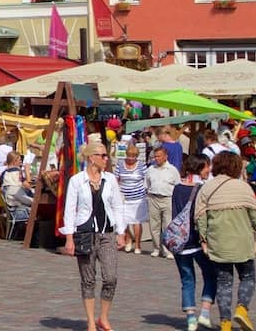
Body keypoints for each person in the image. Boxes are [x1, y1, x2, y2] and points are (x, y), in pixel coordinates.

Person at [197, 152, 256, 331]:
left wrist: (204, 238)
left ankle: (225, 323)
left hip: (218, 242)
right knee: (248, 276)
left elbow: (200, 217)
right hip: (242, 242)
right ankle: (242, 309)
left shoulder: (207, 188)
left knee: (224, 282)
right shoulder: (243, 187)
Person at [60, 142, 129, 331]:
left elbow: (118, 206)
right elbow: (70, 209)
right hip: (85, 234)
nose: (106, 159)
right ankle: (91, 322)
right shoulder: (77, 180)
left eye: (107, 155)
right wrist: (69, 237)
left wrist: (121, 232)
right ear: (92, 158)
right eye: (103, 155)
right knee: (88, 279)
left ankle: (103, 317)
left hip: (107, 233)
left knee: (111, 277)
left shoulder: (110, 180)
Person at [170, 154, 218, 331]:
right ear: (199, 168)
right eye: (207, 166)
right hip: (197, 241)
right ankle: (204, 313)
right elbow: (203, 217)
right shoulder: (202, 189)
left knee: (187, 279)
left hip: (179, 241)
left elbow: (174, 214)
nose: (209, 170)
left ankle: (191, 319)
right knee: (211, 274)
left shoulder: (177, 188)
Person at [113, 141, 149, 255]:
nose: (130, 158)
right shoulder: (120, 164)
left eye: (133, 156)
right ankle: (128, 240)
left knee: (137, 221)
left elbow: (146, 178)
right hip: (124, 197)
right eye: (129, 155)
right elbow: (116, 179)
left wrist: (146, 191)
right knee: (125, 220)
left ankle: (138, 244)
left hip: (138, 197)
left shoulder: (141, 165)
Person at [146, 146, 181, 259]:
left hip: (167, 199)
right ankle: (156, 248)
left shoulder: (172, 170)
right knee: (154, 225)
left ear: (165, 157)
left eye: (159, 156)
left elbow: (177, 185)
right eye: (155, 156)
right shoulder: (151, 169)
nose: (156, 159)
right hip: (153, 197)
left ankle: (168, 250)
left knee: (167, 225)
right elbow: (146, 184)